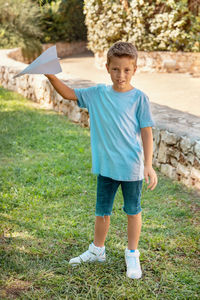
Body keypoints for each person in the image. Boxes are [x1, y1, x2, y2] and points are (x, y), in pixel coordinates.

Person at [45, 41, 158, 279]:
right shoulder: (97, 94)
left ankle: (132, 254)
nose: (121, 75)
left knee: (133, 211)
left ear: (134, 69)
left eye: (127, 70)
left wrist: (148, 165)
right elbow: (69, 93)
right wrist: (49, 74)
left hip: (132, 169)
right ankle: (98, 250)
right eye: (116, 69)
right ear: (107, 67)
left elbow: (147, 132)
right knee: (102, 211)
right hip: (107, 168)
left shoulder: (139, 98)